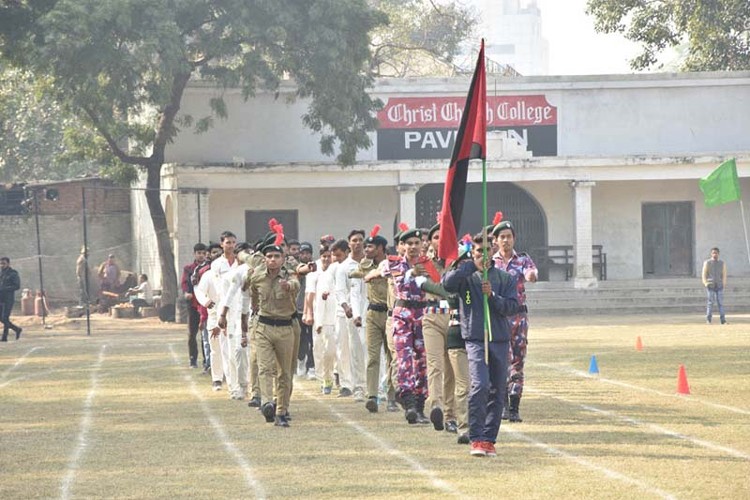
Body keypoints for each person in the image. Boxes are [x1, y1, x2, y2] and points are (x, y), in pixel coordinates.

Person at [443, 233, 519, 457]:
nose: (483, 255)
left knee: (498, 389)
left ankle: (488, 439)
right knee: (480, 386)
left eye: (487, 250)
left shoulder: (504, 278)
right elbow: (448, 285)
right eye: (478, 251)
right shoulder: (466, 280)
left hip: (499, 339)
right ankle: (476, 437)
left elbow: (511, 307)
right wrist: (469, 268)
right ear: (472, 253)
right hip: (476, 339)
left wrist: (493, 296)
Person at [248, 239, 300, 428]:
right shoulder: (257, 276)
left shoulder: (290, 276)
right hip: (263, 327)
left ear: (283, 258)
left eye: (276, 256)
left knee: (284, 373)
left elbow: (296, 284)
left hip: (286, 328)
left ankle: (281, 411)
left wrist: (289, 286)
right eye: (269, 256)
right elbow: (253, 292)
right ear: (264, 259)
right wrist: (254, 306)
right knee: (264, 367)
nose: (272, 260)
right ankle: (267, 402)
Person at [492, 219, 537, 422]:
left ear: (514, 239)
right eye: (502, 237)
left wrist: (531, 275)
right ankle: (503, 404)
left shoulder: (523, 260)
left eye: (509, 237)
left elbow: (531, 273)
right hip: (499, 317)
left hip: (518, 317)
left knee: (518, 360)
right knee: (501, 360)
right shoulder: (490, 262)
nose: (506, 240)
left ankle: (515, 405)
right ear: (496, 240)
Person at [355, 225, 393, 412]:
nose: (366, 250)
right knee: (372, 356)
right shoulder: (365, 264)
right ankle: (372, 396)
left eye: (370, 247)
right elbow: (357, 273)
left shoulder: (393, 265)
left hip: (391, 314)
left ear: (380, 249)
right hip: (372, 313)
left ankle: (392, 395)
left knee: (392, 356)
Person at [182, 243, 208, 368]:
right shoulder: (189, 268)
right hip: (193, 305)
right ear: (194, 254)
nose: (201, 256)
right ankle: (193, 359)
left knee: (205, 333)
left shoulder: (209, 268)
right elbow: (185, 282)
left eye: (203, 253)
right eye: (199, 253)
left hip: (205, 305)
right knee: (192, 334)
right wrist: (187, 292)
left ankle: (206, 360)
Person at [702, 247, 727, 325]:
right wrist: (706, 283)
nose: (714, 254)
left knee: (720, 303)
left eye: (716, 253)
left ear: (718, 254)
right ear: (711, 253)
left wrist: (723, 284)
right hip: (710, 285)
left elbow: (724, 274)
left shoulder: (722, 263)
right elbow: (704, 274)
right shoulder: (707, 263)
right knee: (710, 303)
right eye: (713, 253)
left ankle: (723, 320)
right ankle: (708, 320)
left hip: (719, 285)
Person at [0, 257, 22, 341]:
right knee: (1, 318)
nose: (2, 265)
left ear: (8, 264)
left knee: (5, 318)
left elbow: (17, 286)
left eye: (3, 263)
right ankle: (17, 329)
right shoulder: (1, 274)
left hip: (8, 299)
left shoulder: (13, 273)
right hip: (1, 298)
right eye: (1, 264)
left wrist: (4, 289)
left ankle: (4, 337)